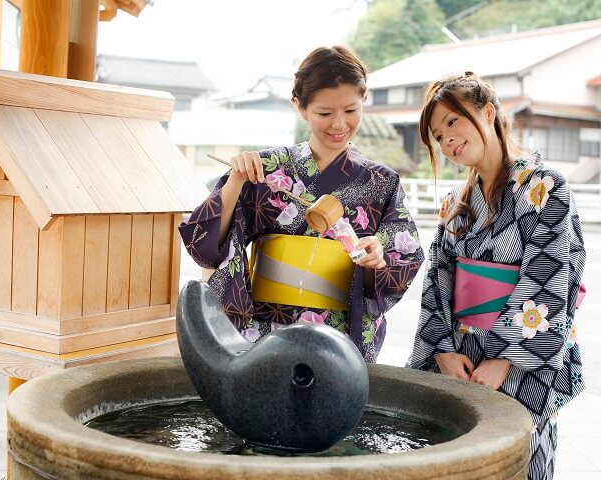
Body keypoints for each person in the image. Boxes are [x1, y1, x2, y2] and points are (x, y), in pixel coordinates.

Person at [179, 46, 424, 362]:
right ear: (300, 106)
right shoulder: (265, 169)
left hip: (342, 334)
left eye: (351, 110)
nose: (339, 124)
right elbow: (207, 247)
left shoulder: (382, 182)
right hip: (266, 331)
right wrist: (237, 180)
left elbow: (402, 259)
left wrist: (376, 256)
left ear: (364, 101)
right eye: (325, 113)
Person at [407, 72, 586, 479]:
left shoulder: (545, 188)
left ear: (488, 112)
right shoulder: (456, 203)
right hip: (461, 360)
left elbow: (551, 275)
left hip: (521, 364)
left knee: (519, 461)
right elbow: (438, 279)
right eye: (438, 135)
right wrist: (442, 351)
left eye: (453, 122)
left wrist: (505, 359)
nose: (447, 139)